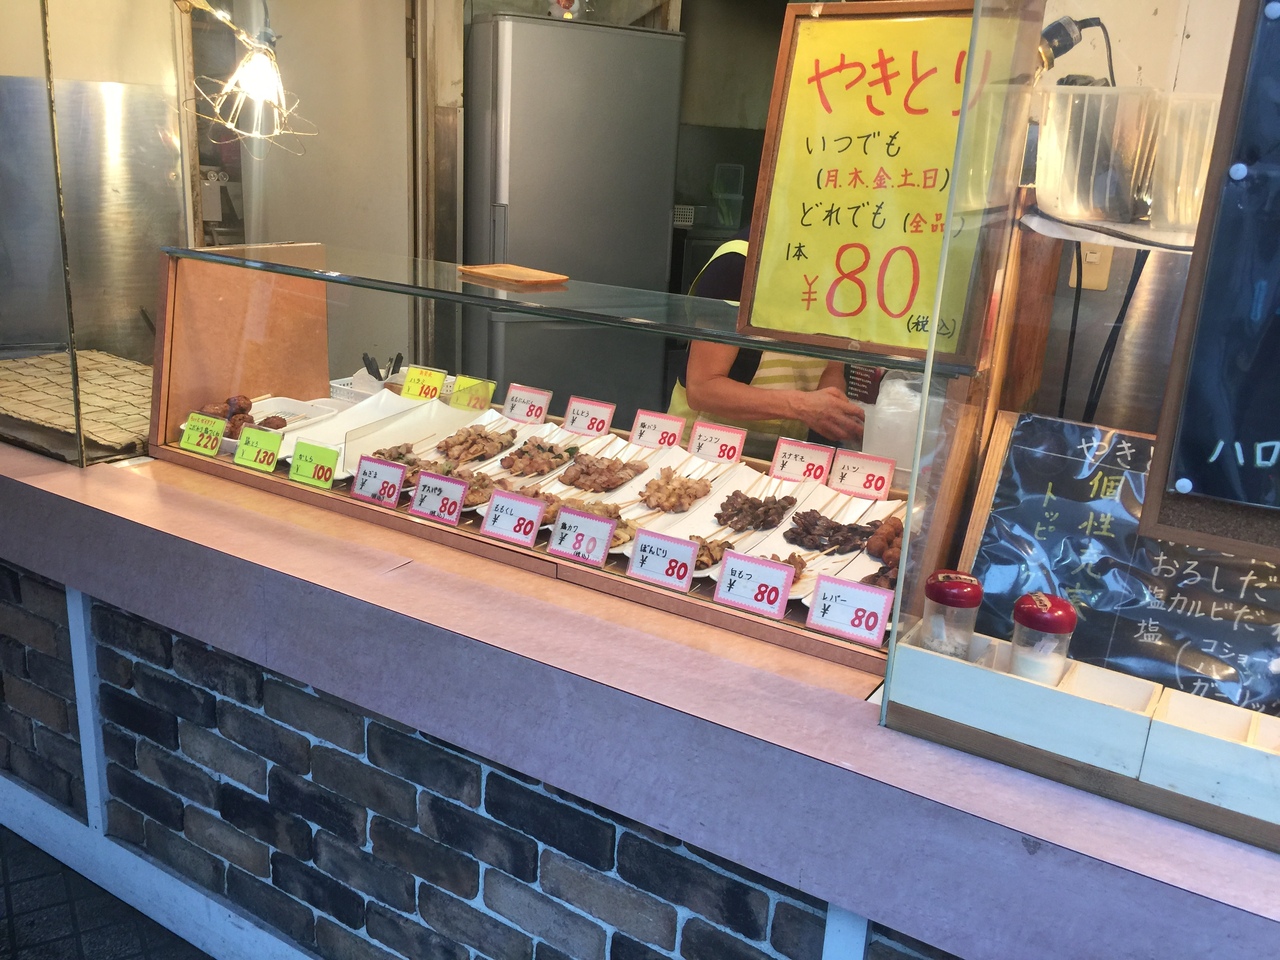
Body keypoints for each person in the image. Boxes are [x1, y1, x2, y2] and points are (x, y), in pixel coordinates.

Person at [667, 238, 864, 452]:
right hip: (702, 449)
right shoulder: (739, 263)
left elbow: (831, 369)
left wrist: (835, 413)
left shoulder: (838, 272)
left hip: (778, 454)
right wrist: (802, 406)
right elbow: (702, 388)